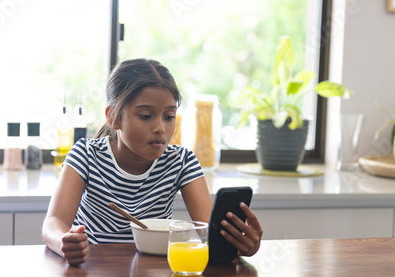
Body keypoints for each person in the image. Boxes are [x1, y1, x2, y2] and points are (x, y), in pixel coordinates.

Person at [42, 58, 263, 266]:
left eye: (169, 117)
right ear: (114, 118)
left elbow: (210, 234)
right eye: (146, 116)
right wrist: (64, 242)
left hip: (153, 276)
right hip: (96, 272)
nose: (161, 128)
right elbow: (54, 221)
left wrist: (242, 244)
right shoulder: (86, 155)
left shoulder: (181, 161)